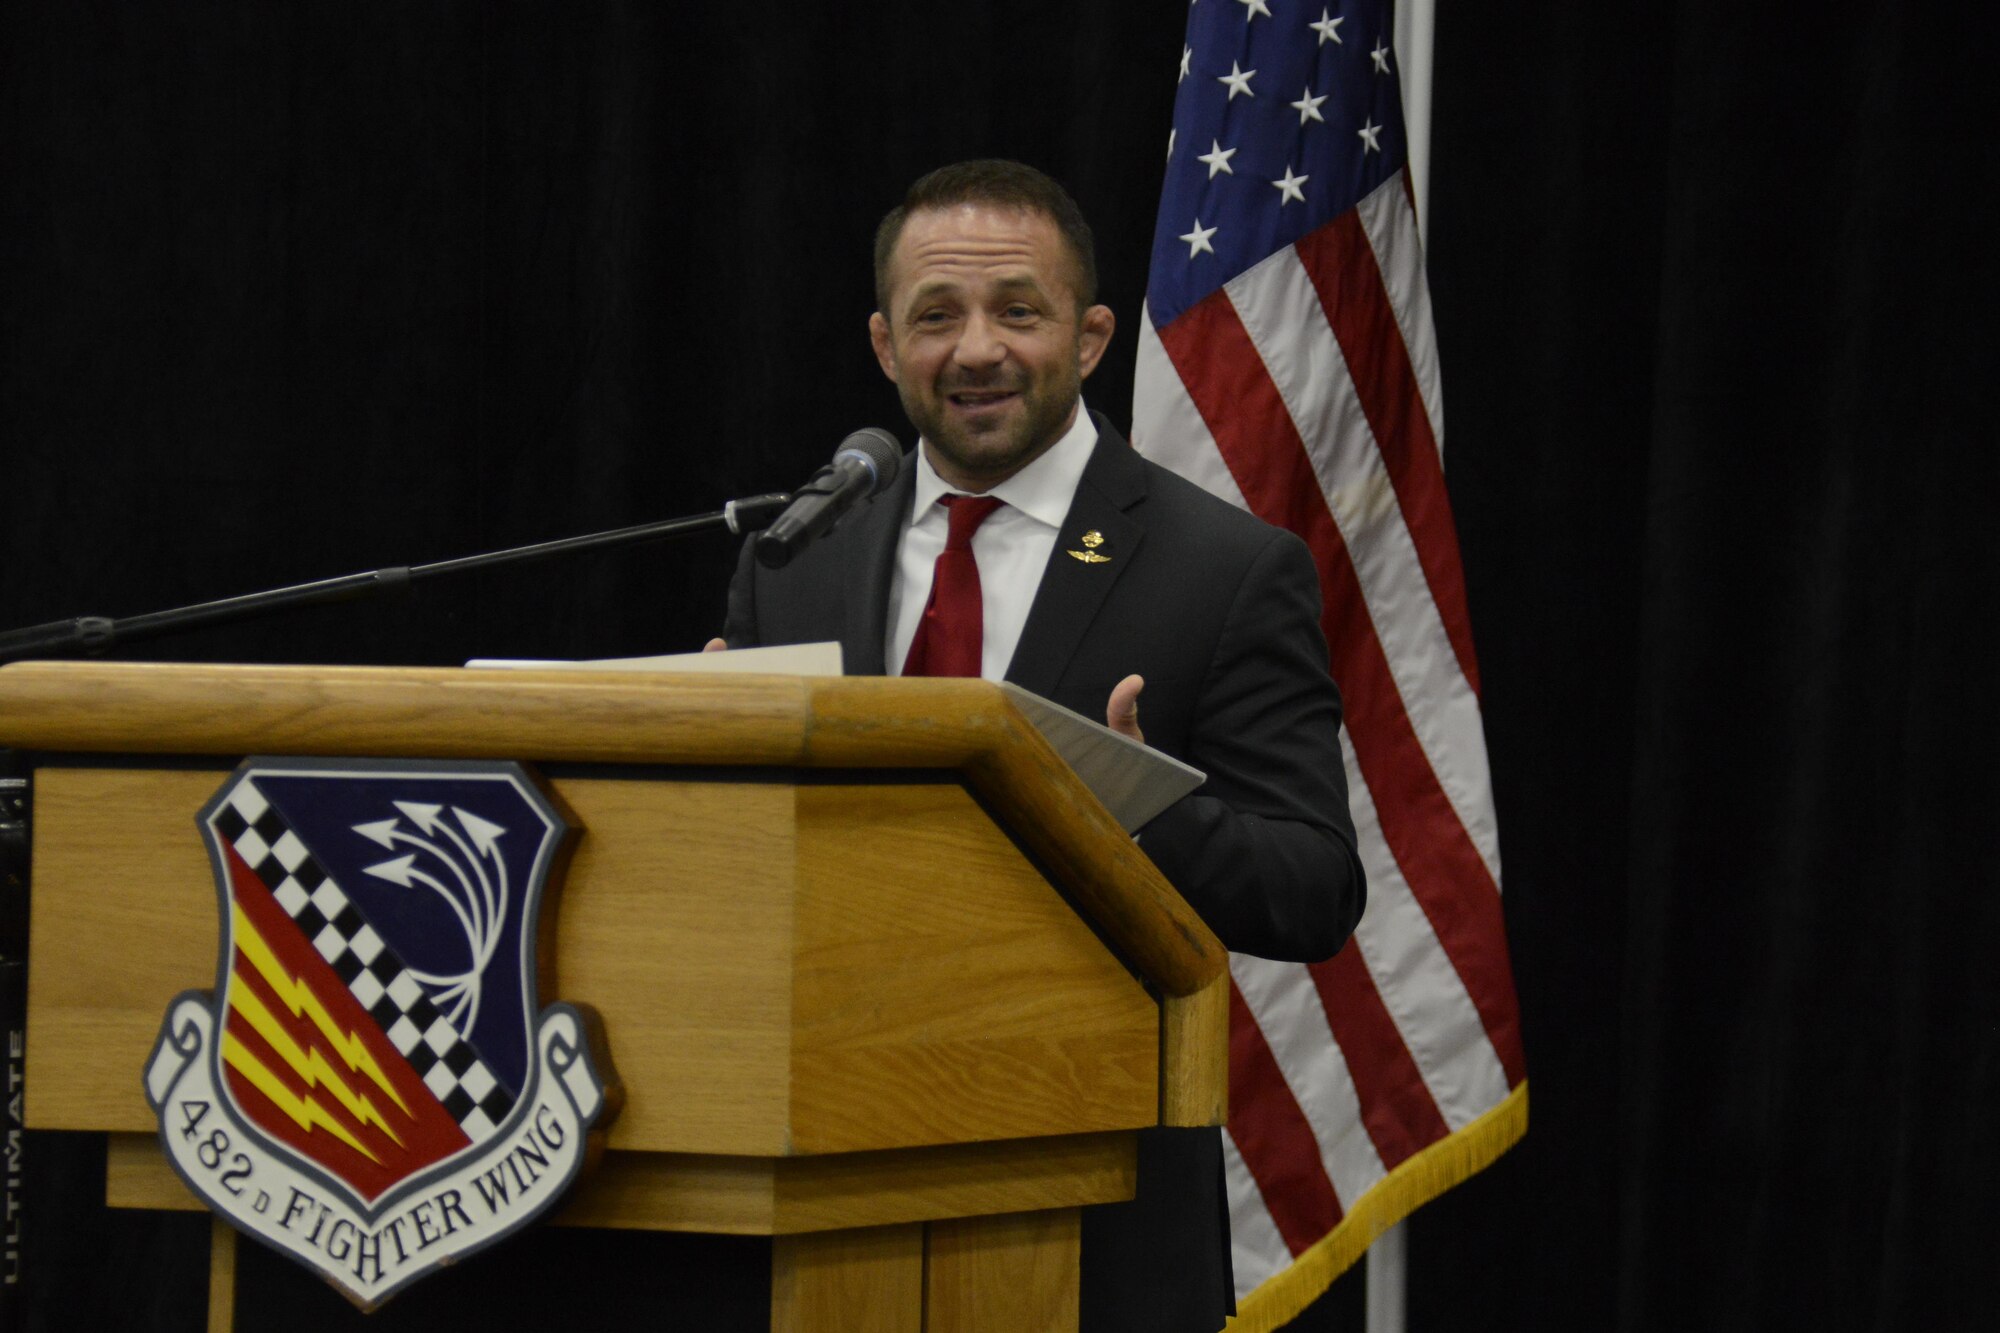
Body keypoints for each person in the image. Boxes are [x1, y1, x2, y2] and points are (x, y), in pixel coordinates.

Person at [715, 159, 1365, 1332]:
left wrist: (1130, 799)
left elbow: (1313, 888)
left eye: (1017, 310)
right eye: (935, 316)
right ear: (880, 344)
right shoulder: (796, 555)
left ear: (1090, 334)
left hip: (1092, 1208)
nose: (976, 349)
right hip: (824, 1185)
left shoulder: (1223, 570)